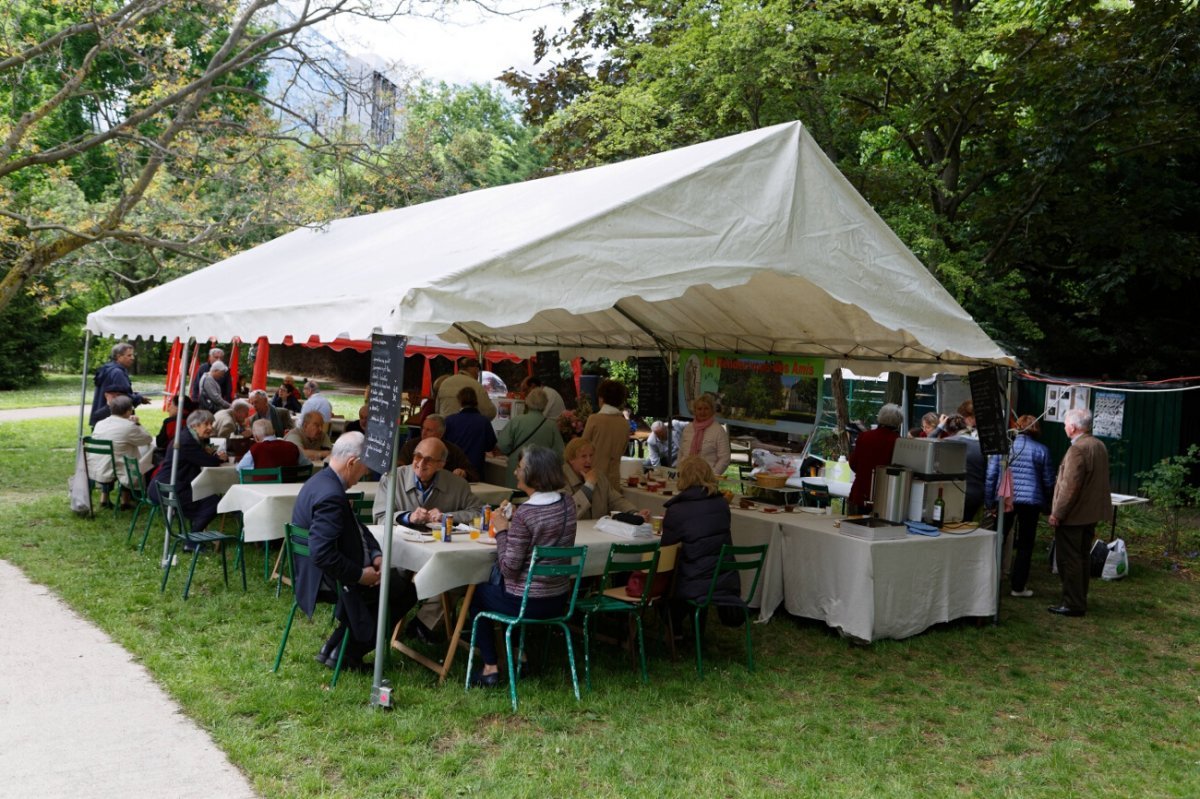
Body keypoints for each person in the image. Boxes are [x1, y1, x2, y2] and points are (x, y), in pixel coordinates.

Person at [291, 432, 419, 672]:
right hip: (326, 578)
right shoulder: (331, 495)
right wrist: (360, 575)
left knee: (391, 583)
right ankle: (348, 654)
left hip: (319, 571)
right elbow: (323, 554)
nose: (363, 476)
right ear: (351, 462)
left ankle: (334, 650)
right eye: (363, 469)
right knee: (403, 591)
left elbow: (356, 528)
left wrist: (375, 555)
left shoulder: (322, 482)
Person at [467, 446, 577, 687]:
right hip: (558, 599)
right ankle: (519, 656)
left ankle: (490, 667)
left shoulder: (527, 514)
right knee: (514, 589)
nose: (516, 472)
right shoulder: (568, 503)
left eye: (520, 467)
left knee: (477, 594)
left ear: (533, 475)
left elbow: (508, 568)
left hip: (527, 604)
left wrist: (503, 530)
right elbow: (544, 525)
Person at [660, 455, 741, 637]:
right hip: (722, 577)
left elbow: (667, 549)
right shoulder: (722, 504)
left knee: (665, 579)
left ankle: (674, 628)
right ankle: (684, 627)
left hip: (694, 580)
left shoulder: (677, 510)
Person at [1048, 408, 1110, 617]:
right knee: (1082, 557)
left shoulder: (1077, 449)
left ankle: (1072, 603)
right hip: (1090, 514)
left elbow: (1069, 486)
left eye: (1066, 424)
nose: (1065, 427)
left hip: (1074, 515)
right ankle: (1079, 599)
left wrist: (1057, 513)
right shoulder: (1098, 445)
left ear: (1073, 427)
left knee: (1070, 560)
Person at [985, 415, 1055, 598]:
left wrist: (989, 502)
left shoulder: (1004, 448)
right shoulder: (1042, 450)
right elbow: (1048, 481)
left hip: (1005, 498)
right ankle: (1018, 587)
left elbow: (991, 475)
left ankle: (988, 580)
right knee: (1025, 545)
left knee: (998, 538)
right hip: (1031, 501)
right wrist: (1048, 504)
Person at [371, 438, 483, 526]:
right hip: (402, 546)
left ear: (441, 464)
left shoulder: (458, 484)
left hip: (442, 545)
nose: (421, 464)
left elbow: (479, 513)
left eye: (429, 459)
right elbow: (380, 517)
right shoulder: (392, 478)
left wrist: (446, 517)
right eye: (418, 457)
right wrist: (408, 517)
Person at [148, 410, 225, 531]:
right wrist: (218, 458)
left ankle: (196, 533)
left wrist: (209, 453)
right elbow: (209, 461)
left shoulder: (186, 436)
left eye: (211, 424)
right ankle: (192, 540)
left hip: (167, 485)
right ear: (194, 426)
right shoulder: (187, 441)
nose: (210, 427)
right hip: (169, 489)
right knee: (214, 502)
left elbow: (202, 454)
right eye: (207, 424)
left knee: (209, 498)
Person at [88, 395, 154, 509]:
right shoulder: (129, 426)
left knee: (118, 455)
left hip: (97, 466)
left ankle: (105, 498)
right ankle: (126, 500)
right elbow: (147, 439)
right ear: (129, 411)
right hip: (118, 468)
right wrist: (137, 424)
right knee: (131, 458)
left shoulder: (100, 424)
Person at [561, 437, 648, 521]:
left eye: (591, 455)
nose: (589, 460)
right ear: (571, 459)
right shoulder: (560, 479)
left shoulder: (599, 476)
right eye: (584, 456)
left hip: (597, 531)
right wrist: (589, 486)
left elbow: (615, 500)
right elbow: (568, 513)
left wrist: (634, 514)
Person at [496, 388, 563, 488]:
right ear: (545, 404)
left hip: (517, 468)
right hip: (541, 472)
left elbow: (502, 445)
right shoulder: (551, 426)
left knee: (516, 498)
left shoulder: (517, 420)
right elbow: (559, 454)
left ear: (527, 402)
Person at [847, 403, 903, 513]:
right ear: (899, 422)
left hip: (861, 490)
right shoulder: (898, 442)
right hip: (885, 494)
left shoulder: (865, 436)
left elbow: (853, 464)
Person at [582, 379, 634, 489]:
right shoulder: (624, 424)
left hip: (594, 478)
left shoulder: (594, 419)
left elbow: (582, 447)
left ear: (601, 398)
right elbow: (623, 449)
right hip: (614, 479)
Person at [397, 414, 476, 481]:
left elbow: (473, 474)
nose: (424, 433)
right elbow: (399, 466)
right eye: (423, 428)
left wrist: (464, 473)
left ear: (440, 434)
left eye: (429, 430)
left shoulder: (452, 450)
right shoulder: (411, 446)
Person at [443, 387, 497, 481]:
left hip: (452, 469)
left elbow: (444, 445)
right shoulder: (484, 422)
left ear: (459, 401)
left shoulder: (449, 420)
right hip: (475, 469)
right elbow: (490, 446)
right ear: (476, 401)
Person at [89, 342, 148, 427]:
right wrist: (139, 398)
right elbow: (122, 397)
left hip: (101, 415)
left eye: (132, 355)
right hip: (113, 418)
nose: (132, 358)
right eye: (129, 355)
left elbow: (118, 390)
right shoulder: (117, 372)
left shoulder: (107, 369)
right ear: (118, 356)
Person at [678, 393, 731, 478]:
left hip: (707, 479)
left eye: (706, 408)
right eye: (699, 409)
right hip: (685, 477)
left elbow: (725, 458)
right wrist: (680, 470)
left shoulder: (718, 430)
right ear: (695, 411)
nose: (702, 412)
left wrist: (711, 475)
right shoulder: (688, 428)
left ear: (712, 410)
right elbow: (681, 452)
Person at [944, 414, 985, 522]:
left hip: (951, 493)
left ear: (948, 429)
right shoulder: (980, 446)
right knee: (966, 526)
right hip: (975, 495)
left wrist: (939, 428)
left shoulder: (946, 443)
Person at [238, 419, 309, 472]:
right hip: (291, 489)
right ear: (274, 432)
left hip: (262, 490)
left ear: (256, 437)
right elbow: (307, 465)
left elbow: (239, 468)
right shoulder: (292, 446)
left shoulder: (256, 449)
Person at [153, 393, 196, 467]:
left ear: (178, 407)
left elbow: (160, 443)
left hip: (172, 460)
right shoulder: (197, 420)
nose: (168, 409)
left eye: (171, 405)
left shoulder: (170, 422)